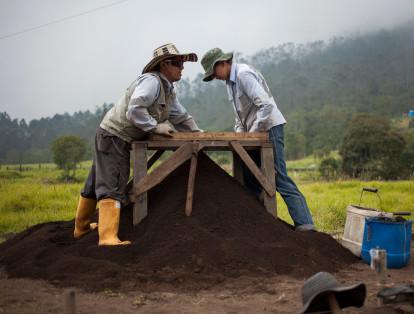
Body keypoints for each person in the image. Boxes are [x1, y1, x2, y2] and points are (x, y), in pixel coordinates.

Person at [74, 43, 201, 245]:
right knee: (113, 181)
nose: (182, 67)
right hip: (115, 136)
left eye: (182, 63)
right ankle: (107, 237)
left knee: (95, 180)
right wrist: (154, 127)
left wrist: (198, 135)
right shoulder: (151, 82)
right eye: (177, 63)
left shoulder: (168, 90)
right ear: (164, 64)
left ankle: (80, 228)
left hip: (112, 135)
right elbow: (134, 110)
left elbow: (181, 117)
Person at [201, 48, 315, 231]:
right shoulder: (229, 84)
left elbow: (266, 105)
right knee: (249, 175)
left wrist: (252, 134)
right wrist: (241, 136)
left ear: (222, 63)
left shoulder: (244, 75)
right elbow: (239, 117)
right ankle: (258, 222)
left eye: (213, 72)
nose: (214, 77)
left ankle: (306, 225)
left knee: (277, 176)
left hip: (270, 128)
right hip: (254, 133)